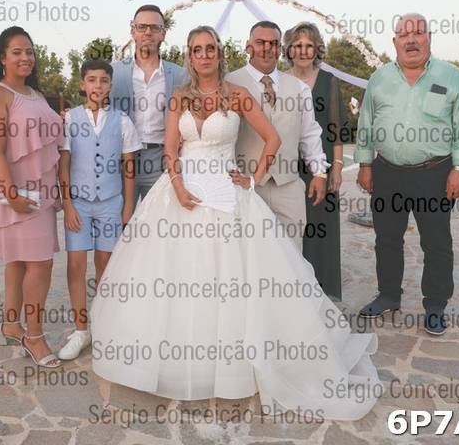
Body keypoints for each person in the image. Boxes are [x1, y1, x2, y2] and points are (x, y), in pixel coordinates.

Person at [90, 26, 379, 420]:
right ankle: (172, 363)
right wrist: (177, 186)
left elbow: (273, 139)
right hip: (181, 195)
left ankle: (238, 365)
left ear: (219, 53)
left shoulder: (237, 94)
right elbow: (171, 149)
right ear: (190, 56)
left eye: (210, 48)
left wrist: (254, 179)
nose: (204, 55)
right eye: (197, 50)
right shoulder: (179, 96)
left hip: (228, 195)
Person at [355, 13, 459, 335]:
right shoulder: (379, 78)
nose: (411, 39)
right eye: (403, 34)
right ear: (394, 41)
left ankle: (435, 305)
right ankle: (388, 296)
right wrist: (365, 164)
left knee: (437, 243)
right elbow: (366, 123)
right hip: (386, 173)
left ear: (429, 38)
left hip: (434, 174)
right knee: (386, 240)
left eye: (418, 32)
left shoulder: (452, 76)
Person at [0, 26, 64, 368]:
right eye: (17, 52)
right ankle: (35, 336)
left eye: (29, 51)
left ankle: (11, 324)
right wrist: (11, 194)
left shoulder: (36, 94)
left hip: (40, 191)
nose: (25, 57)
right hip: (15, 192)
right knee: (40, 263)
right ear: (2, 58)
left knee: (19, 261)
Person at [56, 59, 141, 360]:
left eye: (104, 80)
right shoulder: (70, 119)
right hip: (78, 203)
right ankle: (81, 330)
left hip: (110, 202)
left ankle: (104, 325)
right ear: (82, 84)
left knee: (106, 264)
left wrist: (127, 206)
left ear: (110, 86)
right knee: (76, 264)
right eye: (91, 80)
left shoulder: (122, 121)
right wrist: (67, 204)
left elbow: (129, 167)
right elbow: (64, 164)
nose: (98, 86)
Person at [225, 21, 328, 251]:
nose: (267, 48)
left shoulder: (299, 88)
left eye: (273, 43)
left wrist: (319, 172)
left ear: (280, 48)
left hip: (288, 186)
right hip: (245, 185)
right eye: (260, 42)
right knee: (248, 254)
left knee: (292, 255)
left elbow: (309, 134)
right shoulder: (229, 84)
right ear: (248, 46)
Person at [284, 22, 346, 300]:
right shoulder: (280, 80)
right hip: (289, 166)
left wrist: (337, 167)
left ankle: (324, 290)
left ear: (317, 49)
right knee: (294, 227)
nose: (303, 51)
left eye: (308, 45)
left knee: (323, 228)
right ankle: (295, 291)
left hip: (322, 166)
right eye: (297, 45)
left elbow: (336, 128)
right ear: (289, 50)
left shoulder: (328, 81)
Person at [109, 4, 187, 206]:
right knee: (122, 222)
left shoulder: (180, 75)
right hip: (121, 160)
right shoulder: (113, 73)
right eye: (142, 27)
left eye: (154, 27)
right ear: (132, 30)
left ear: (163, 33)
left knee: (159, 221)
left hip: (161, 161)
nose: (148, 32)